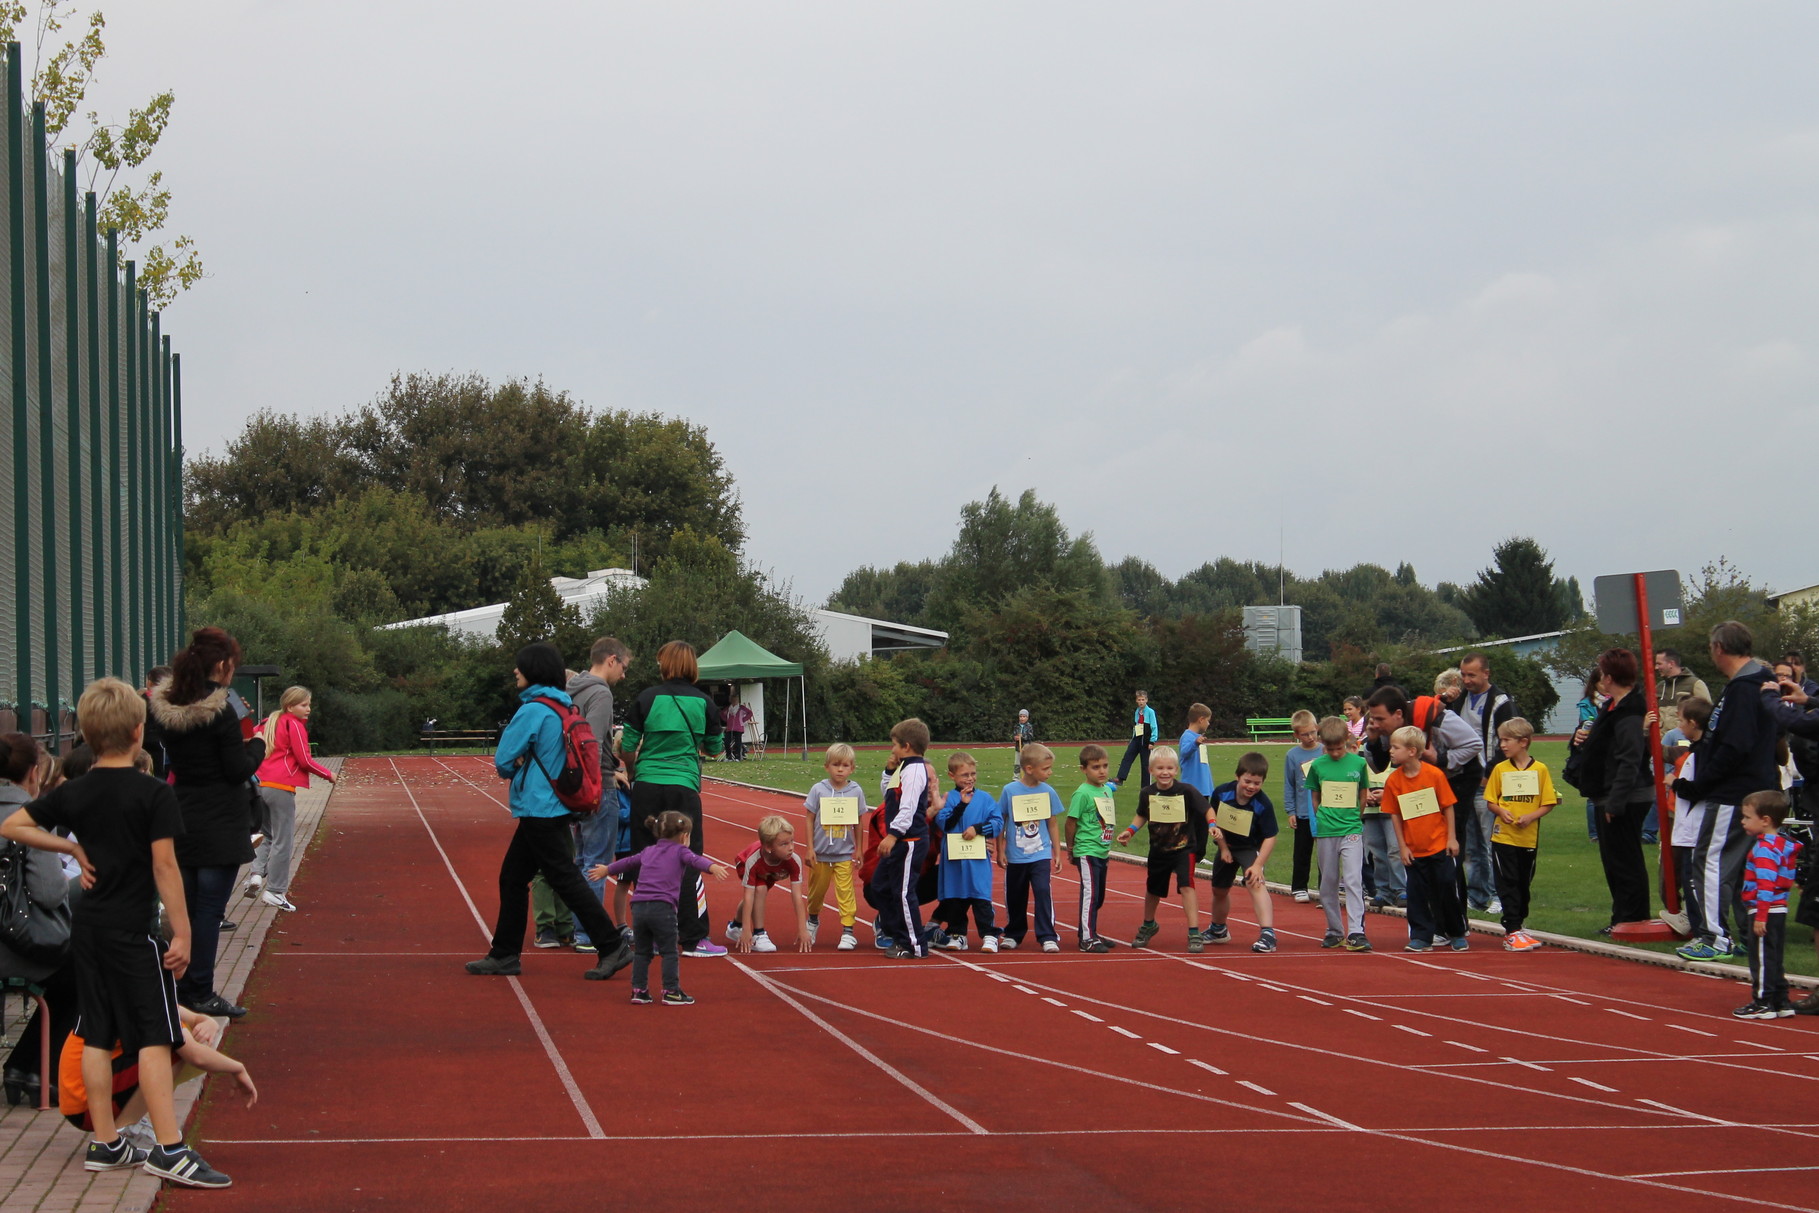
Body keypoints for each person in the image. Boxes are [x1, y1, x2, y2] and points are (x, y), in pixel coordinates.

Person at [0, 677, 233, 1187]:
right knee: (154, 1035)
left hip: (89, 930)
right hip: (133, 929)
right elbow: (166, 867)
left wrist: (72, 848)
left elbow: (12, 826)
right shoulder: (153, 793)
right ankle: (169, 1148)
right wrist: (184, 934)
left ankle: (106, 1142)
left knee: (98, 1033)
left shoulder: (75, 790)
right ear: (137, 731)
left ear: (86, 733)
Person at [464, 643, 635, 982]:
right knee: (514, 877)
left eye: (520, 666)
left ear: (534, 671)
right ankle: (504, 953)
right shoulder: (562, 707)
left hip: (538, 805)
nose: (516, 671)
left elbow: (503, 760)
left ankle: (611, 944)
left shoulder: (532, 710)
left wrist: (517, 764)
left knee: (563, 877)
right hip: (557, 803)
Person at [145, 628, 265, 1020]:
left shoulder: (168, 709)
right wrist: (258, 745)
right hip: (220, 821)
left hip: (182, 813)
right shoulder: (222, 712)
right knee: (209, 911)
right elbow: (236, 770)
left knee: (186, 907)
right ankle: (200, 990)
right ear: (222, 664)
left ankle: (179, 988)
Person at [1671, 621, 1780, 960]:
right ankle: (1749, 935)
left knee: (1710, 861)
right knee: (1746, 866)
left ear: (1719, 648)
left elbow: (1735, 745)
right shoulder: (1756, 683)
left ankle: (1715, 937)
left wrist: (1702, 784)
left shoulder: (1745, 688)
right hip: (1752, 787)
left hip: (1734, 793)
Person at [623, 640, 727, 957]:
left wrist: (634, 771)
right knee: (688, 859)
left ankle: (650, 937)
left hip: (647, 784)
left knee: (645, 858)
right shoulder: (704, 702)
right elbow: (716, 749)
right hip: (683, 787)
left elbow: (627, 745)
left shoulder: (646, 698)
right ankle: (694, 938)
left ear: (665, 665)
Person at [58, 1003, 257, 1158]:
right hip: (86, 1106)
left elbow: (185, 1015)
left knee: (184, 1037)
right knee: (172, 1047)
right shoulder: (147, 997)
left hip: (79, 1100)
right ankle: (126, 1128)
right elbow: (195, 1055)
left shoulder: (139, 988)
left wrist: (205, 1020)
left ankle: (131, 1119)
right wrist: (237, 1068)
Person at [0, 733, 75, 1109]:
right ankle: (39, 1071)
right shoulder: (29, 820)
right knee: (85, 971)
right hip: (14, 946)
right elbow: (49, 893)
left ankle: (22, 1067)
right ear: (34, 772)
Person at [595, 809, 730, 1005]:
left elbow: (628, 862)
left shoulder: (648, 851)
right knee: (669, 952)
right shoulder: (681, 851)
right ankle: (671, 991)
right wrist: (712, 867)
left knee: (642, 952)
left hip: (639, 908)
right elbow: (695, 860)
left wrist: (606, 869)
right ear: (684, 836)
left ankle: (639, 990)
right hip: (663, 908)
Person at [1572, 649, 1655, 932]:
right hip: (1607, 793)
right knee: (1614, 860)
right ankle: (1621, 917)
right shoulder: (1613, 706)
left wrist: (1616, 802)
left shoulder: (1629, 711)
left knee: (1625, 860)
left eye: (1603, 674)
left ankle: (1632, 918)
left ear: (1609, 677)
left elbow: (1630, 758)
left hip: (1625, 797)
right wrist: (1581, 739)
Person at [564, 637, 633, 954]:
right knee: (597, 863)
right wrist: (607, 773)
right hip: (596, 786)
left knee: (581, 860)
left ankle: (578, 927)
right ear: (611, 659)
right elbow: (588, 742)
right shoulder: (601, 693)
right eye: (624, 667)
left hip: (573, 786)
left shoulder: (571, 689)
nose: (623, 675)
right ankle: (588, 932)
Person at [247, 686, 333, 914]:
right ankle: (275, 890)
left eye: (309, 704)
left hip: (259, 784)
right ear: (290, 706)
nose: (308, 709)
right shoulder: (293, 725)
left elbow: (248, 741)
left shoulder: (266, 723)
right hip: (280, 786)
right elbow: (304, 759)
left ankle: (255, 874)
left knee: (266, 834)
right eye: (304, 705)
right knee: (283, 840)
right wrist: (329, 774)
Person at [1382, 724, 1468, 953]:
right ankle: (1421, 936)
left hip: (1439, 845)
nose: (1390, 751)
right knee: (1417, 894)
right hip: (1414, 849)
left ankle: (1456, 932)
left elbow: (1448, 806)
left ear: (1412, 751)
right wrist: (1402, 846)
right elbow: (1395, 815)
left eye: (1395, 747)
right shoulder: (1394, 781)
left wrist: (1452, 838)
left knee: (1446, 887)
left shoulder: (1434, 775)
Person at [1118, 748, 1211, 953]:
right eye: (1160, 768)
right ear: (1151, 770)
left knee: (1186, 886)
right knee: (1153, 889)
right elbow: (1142, 814)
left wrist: (1212, 824)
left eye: (1169, 768)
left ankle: (1194, 931)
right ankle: (1148, 924)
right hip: (1159, 849)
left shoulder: (1186, 791)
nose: (1165, 772)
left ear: (1176, 770)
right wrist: (1130, 831)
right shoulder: (1147, 793)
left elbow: (1207, 808)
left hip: (1184, 849)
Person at [1483, 717, 1558, 952]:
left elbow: (1548, 802)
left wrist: (1531, 816)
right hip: (1504, 836)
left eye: (1507, 740)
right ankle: (1511, 929)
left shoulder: (1539, 769)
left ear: (1523, 742)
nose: (1502, 745)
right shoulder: (1500, 769)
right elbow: (1491, 801)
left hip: (1528, 837)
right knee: (1508, 882)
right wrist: (1501, 811)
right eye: (1501, 740)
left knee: (1524, 883)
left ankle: (1519, 925)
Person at [1455, 654, 1517, 913]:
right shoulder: (1459, 701)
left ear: (1486, 674)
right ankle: (1477, 895)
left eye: (1472, 675)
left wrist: (1489, 772)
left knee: (1492, 841)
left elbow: (1508, 740)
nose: (1466, 680)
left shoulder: (1501, 703)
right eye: (1463, 675)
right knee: (1470, 845)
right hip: (1464, 781)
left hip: (1488, 782)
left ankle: (1498, 895)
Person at [1732, 791, 1800, 1020]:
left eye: (1747, 817)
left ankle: (1762, 1001)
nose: (1742, 821)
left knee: (1761, 958)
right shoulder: (1783, 844)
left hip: (1765, 909)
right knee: (1774, 957)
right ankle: (1781, 1000)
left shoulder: (1764, 849)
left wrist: (1761, 915)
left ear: (1765, 820)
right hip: (1778, 909)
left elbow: (1766, 884)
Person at [872, 718, 935, 960]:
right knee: (880, 886)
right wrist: (889, 771)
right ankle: (897, 933)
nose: (893, 749)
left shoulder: (915, 770)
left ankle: (914, 944)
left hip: (910, 840)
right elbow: (888, 795)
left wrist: (892, 835)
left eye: (895, 745)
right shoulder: (903, 768)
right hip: (900, 840)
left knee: (903, 892)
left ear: (906, 746)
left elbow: (907, 807)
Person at [1306, 716, 1370, 952]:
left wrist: (1355, 817)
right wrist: (1321, 818)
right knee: (1329, 882)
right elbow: (1314, 796)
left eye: (1339, 748)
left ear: (1347, 740)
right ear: (1323, 744)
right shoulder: (1317, 765)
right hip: (1327, 830)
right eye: (1329, 749)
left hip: (1351, 829)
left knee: (1353, 880)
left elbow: (1363, 794)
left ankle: (1356, 931)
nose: (1334, 753)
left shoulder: (1358, 763)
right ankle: (1334, 930)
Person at [1206, 752, 1279, 954]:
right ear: (1237, 776)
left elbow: (1270, 837)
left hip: (1249, 847)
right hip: (1226, 844)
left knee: (1255, 882)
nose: (1251, 787)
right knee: (1219, 889)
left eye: (1257, 783)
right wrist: (1223, 848)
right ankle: (1218, 929)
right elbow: (1215, 822)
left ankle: (1268, 934)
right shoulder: (1222, 793)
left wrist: (1258, 865)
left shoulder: (1263, 804)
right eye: (1247, 781)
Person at [997, 743, 1064, 953]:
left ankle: (1047, 935)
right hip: (1016, 855)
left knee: (1043, 891)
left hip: (1040, 853)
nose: (1050, 772)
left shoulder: (1048, 791)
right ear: (1029, 769)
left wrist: (1057, 852)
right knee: (1015, 895)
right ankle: (1014, 933)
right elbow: (1001, 821)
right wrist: (1000, 850)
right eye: (1046, 769)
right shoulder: (1009, 791)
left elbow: (1052, 822)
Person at [934, 751, 1001, 952]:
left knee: (981, 897)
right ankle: (957, 934)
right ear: (952, 775)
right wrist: (962, 806)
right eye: (965, 775)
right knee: (955, 898)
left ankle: (989, 935)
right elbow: (944, 823)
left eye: (973, 774)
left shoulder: (985, 798)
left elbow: (997, 822)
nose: (970, 778)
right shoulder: (948, 799)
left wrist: (978, 829)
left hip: (977, 859)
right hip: (954, 860)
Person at [803, 742, 867, 951]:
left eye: (845, 765)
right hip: (820, 854)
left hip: (843, 854)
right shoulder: (818, 790)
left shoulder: (856, 791)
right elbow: (809, 818)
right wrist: (810, 848)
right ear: (826, 766)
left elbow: (859, 821)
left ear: (852, 768)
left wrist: (859, 849)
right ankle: (813, 920)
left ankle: (848, 931)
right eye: (836, 765)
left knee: (846, 892)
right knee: (816, 893)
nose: (840, 770)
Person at [1662, 696, 1712, 942]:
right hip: (1686, 825)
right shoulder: (1694, 750)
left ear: (1693, 722)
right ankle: (1694, 924)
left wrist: (1675, 783)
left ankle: (1702, 932)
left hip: (1695, 827)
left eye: (1681, 720)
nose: (1679, 726)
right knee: (1686, 876)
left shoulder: (1703, 753)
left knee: (1693, 880)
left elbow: (1699, 788)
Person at [724, 815, 811, 954]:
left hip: (769, 871)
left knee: (758, 893)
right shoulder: (753, 860)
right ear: (769, 847)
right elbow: (748, 895)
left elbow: (797, 896)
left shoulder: (794, 860)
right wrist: (746, 930)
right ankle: (758, 933)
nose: (791, 848)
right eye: (784, 844)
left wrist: (803, 929)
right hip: (745, 863)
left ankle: (734, 926)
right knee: (760, 889)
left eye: (792, 841)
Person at [1062, 744, 1118, 953]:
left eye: (1105, 766)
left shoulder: (1106, 790)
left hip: (1102, 848)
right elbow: (1071, 821)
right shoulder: (1082, 793)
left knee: (1098, 895)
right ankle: (1087, 938)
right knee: (1091, 894)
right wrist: (1071, 848)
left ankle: (1090, 931)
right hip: (1087, 850)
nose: (1102, 771)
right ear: (1083, 769)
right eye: (1096, 767)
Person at [1283, 711, 1322, 903]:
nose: (1310, 737)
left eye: (1313, 732)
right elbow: (1289, 784)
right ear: (1296, 735)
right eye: (1305, 734)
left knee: (1326, 853)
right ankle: (1299, 887)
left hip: (1324, 811)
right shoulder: (1292, 755)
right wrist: (1291, 811)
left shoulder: (1325, 750)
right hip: (1303, 812)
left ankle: (1326, 888)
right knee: (1301, 852)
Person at [1572, 670, 1607, 841]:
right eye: (1602, 682)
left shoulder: (1617, 702)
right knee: (1593, 794)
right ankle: (1595, 833)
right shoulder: (1587, 704)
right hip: (1592, 752)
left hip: (1610, 752)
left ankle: (1607, 829)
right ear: (1595, 684)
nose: (1606, 685)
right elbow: (1587, 724)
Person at [1654, 649, 1711, 736]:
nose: (1656, 668)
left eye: (1659, 664)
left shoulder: (1695, 684)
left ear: (1671, 664)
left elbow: (1707, 714)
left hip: (1686, 740)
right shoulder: (1659, 687)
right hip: (1662, 741)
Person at [1117, 691, 1159, 785]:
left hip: (1146, 740)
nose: (1141, 702)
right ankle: (1120, 778)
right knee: (1127, 757)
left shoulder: (1150, 712)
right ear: (1136, 701)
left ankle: (1145, 786)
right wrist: (1133, 737)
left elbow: (1154, 727)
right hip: (1137, 738)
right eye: (1139, 700)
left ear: (1146, 700)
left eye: (1143, 700)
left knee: (1145, 764)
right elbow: (1136, 725)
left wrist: (1152, 741)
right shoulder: (1137, 711)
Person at [1178, 703, 1214, 799]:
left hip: (1203, 788)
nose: (1208, 724)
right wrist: (1195, 744)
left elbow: (1203, 764)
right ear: (1201, 720)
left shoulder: (1199, 738)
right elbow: (1184, 752)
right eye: (1208, 720)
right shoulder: (1187, 736)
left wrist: (1209, 785)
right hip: (1192, 788)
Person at [723, 692, 752, 762]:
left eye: (735, 700)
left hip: (738, 728)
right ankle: (729, 756)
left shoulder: (741, 708)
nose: (734, 701)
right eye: (733, 700)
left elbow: (750, 713)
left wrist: (743, 720)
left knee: (738, 743)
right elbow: (722, 713)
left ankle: (738, 757)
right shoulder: (728, 708)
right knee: (726, 742)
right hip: (730, 728)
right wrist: (727, 720)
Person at [1009, 709, 1035, 775]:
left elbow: (1030, 736)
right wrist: (1015, 737)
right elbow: (1014, 735)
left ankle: (1027, 776)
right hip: (1018, 748)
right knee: (1017, 763)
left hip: (1026, 748)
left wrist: (1022, 737)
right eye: (1020, 716)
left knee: (1026, 763)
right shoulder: (1016, 726)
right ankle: (1016, 777)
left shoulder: (1029, 726)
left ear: (1027, 718)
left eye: (1024, 716)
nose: (1022, 718)